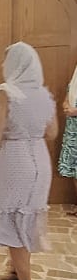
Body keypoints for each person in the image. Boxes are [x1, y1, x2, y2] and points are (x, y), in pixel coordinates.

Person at [0, 42, 57, 280]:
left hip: (15, 161)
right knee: (25, 218)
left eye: (5, 60)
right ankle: (16, 270)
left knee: (12, 221)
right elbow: (52, 132)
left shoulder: (6, 92)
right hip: (40, 160)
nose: (2, 65)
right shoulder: (43, 94)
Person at [58, 62, 77, 215]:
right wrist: (65, 104)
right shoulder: (75, 77)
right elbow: (68, 95)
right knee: (74, 169)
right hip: (72, 130)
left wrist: (75, 111)